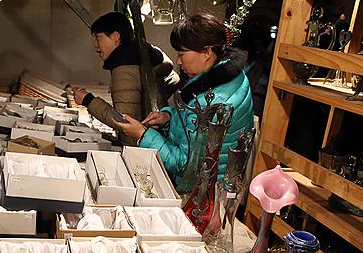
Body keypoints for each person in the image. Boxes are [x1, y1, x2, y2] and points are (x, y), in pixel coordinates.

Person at [115, 11, 254, 184]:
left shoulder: (211, 102)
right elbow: (194, 128)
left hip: (202, 192)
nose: (179, 62)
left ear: (206, 53)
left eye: (182, 54)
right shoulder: (232, 76)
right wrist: (169, 116)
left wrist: (142, 134)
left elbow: (184, 165)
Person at [71, 11, 179, 146]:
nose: (95, 45)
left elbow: (125, 122)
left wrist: (88, 100)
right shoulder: (140, 55)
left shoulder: (124, 67)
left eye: (98, 38)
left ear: (116, 36)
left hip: (137, 147)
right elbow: (174, 80)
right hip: (152, 139)